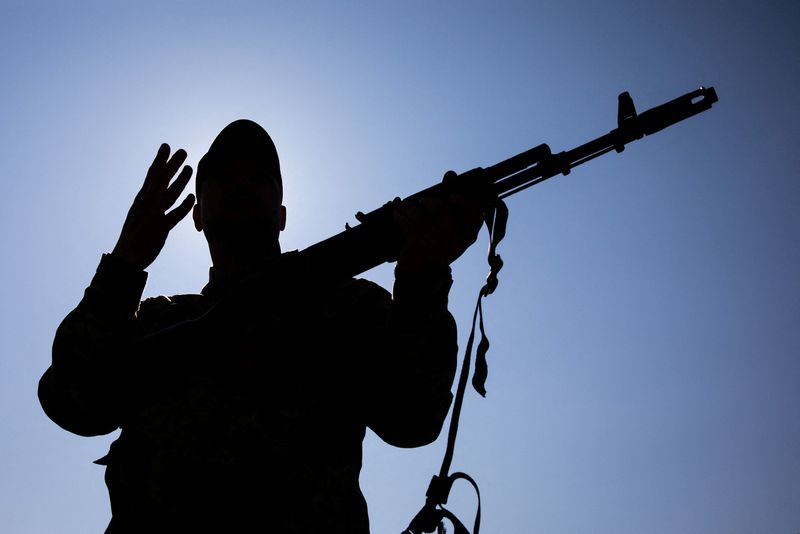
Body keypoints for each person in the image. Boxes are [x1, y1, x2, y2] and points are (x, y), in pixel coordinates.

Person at [39, 120, 482, 533]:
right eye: (224, 178)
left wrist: (422, 280)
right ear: (195, 215)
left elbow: (413, 419)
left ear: (284, 214)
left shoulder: (349, 306)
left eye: (259, 178)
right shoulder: (156, 321)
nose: (242, 186)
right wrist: (125, 260)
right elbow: (75, 402)